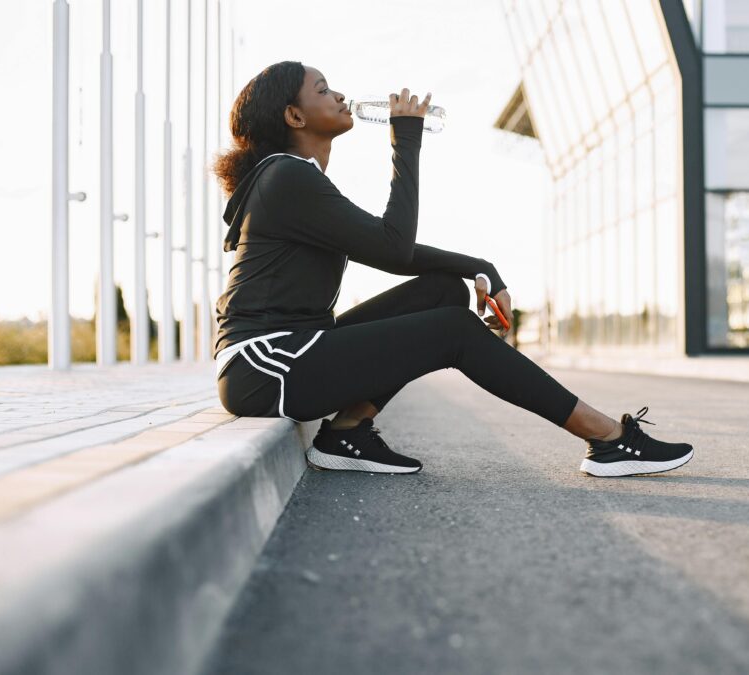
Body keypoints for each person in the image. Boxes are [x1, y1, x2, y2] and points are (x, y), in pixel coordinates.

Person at [212, 61, 694, 478]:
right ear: (294, 116)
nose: (339, 95)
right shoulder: (287, 176)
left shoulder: (294, 178)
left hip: (291, 353)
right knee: (455, 329)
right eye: (322, 90)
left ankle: (347, 433)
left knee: (442, 291)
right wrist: (405, 136)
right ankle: (608, 438)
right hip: (266, 366)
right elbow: (395, 248)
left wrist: (480, 268)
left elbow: (390, 250)